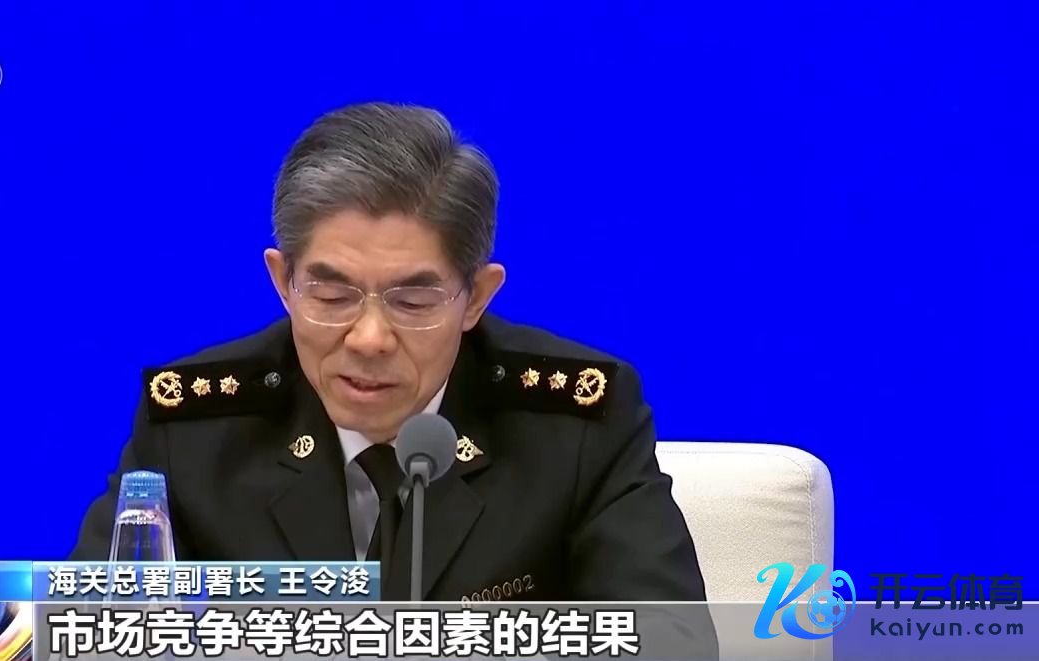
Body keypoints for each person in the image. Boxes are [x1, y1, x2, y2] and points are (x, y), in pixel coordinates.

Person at [70, 103, 712, 615]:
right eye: (332, 295)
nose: (370, 338)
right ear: (283, 282)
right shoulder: (195, 431)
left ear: (476, 297)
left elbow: (668, 641)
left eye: (412, 300)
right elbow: (83, 631)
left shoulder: (573, 428)